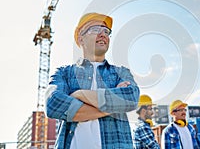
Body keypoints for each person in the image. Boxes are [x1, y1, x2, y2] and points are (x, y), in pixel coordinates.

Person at [45, 12, 140, 149]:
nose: (103, 34)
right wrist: (115, 104)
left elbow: (132, 98)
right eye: (95, 29)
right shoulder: (64, 73)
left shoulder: (121, 72)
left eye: (106, 31)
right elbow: (53, 104)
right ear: (81, 38)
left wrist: (80, 94)